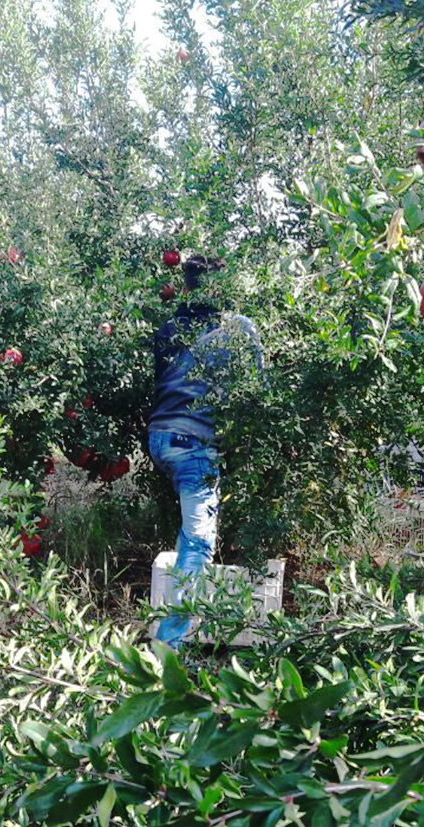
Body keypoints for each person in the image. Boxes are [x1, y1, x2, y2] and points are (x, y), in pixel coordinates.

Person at [147, 255, 264, 647]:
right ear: (222, 286)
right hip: (193, 444)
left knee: (189, 535)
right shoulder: (237, 328)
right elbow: (258, 389)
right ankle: (168, 648)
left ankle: (174, 630)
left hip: (160, 437)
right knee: (198, 543)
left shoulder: (169, 327)